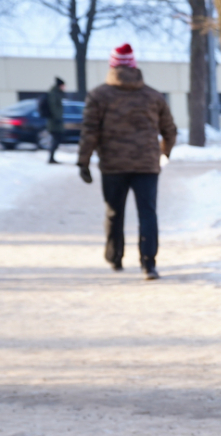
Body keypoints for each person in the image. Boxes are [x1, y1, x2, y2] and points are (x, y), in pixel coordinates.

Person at [78, 44, 177, 280]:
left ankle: (115, 257)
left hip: (113, 164)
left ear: (112, 66)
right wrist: (165, 152)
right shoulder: (153, 96)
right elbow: (170, 130)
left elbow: (90, 131)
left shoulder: (98, 95)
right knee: (148, 213)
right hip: (147, 164)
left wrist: (83, 162)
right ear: (134, 66)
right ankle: (148, 264)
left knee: (114, 212)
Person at [40, 77, 67, 164]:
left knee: (56, 139)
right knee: (57, 139)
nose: (64, 87)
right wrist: (57, 118)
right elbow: (54, 107)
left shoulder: (56, 93)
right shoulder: (54, 94)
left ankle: (51, 158)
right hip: (54, 121)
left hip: (55, 121)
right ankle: (51, 158)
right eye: (63, 85)